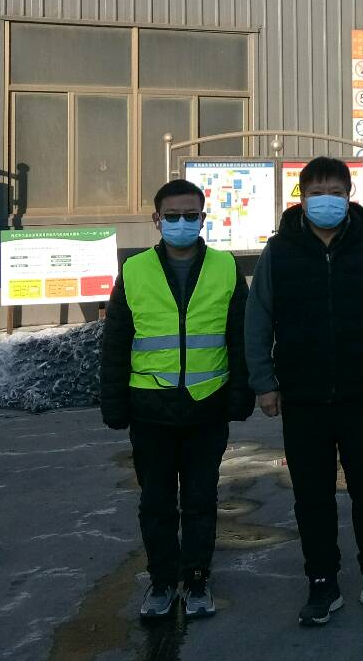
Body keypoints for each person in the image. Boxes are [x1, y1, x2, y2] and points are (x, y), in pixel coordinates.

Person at [245, 156, 363, 627]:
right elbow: (257, 320)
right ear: (301, 198)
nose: (326, 201)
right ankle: (322, 582)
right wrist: (264, 383)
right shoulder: (279, 251)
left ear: (349, 196)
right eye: (316, 192)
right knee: (312, 496)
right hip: (302, 397)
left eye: (335, 192)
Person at [101, 179, 253, 620]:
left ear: (203, 219)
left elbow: (240, 338)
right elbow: (116, 342)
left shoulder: (225, 268)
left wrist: (240, 394)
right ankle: (162, 581)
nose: (182, 223)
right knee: (156, 504)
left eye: (190, 215)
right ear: (157, 220)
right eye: (172, 216)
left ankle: (198, 578)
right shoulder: (135, 270)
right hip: (151, 411)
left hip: (207, 407)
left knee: (201, 501)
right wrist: (114, 402)